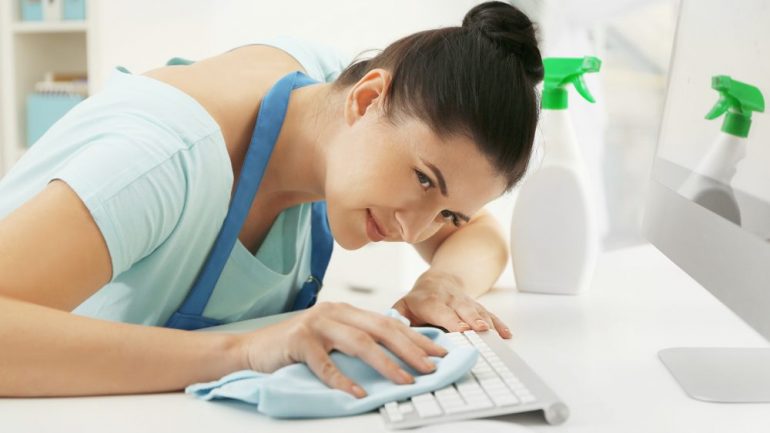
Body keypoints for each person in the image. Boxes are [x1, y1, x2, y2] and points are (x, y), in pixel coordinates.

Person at [0, 1, 543, 398]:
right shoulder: (164, 161)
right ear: (368, 98)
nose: (414, 231)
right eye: (424, 180)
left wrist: (440, 283)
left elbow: (481, 235)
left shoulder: (331, 105)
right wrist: (245, 351)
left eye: (447, 211)